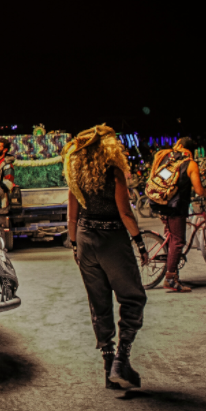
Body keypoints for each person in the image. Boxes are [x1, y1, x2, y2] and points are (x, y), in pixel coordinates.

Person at [63, 124, 149, 391]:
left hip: (86, 241)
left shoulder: (75, 173)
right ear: (108, 147)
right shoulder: (114, 173)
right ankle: (121, 360)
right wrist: (140, 243)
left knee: (99, 303)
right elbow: (125, 213)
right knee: (133, 297)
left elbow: (72, 216)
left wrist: (76, 246)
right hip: (112, 240)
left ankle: (107, 361)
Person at [147, 136, 206, 292]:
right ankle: (170, 277)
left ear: (179, 145)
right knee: (178, 240)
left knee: (170, 236)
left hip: (160, 203)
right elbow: (199, 190)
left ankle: (171, 263)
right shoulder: (190, 164)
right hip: (176, 207)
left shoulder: (168, 159)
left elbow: (162, 180)